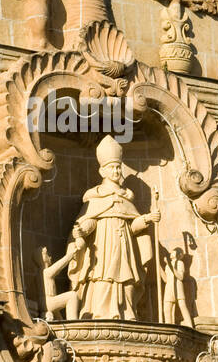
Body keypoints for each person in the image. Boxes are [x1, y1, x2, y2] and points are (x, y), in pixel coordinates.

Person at [66, 136, 160, 321]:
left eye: (118, 167)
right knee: (103, 276)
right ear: (102, 170)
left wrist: (148, 218)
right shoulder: (95, 196)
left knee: (126, 277)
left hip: (125, 245)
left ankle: (127, 312)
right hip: (103, 247)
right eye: (112, 167)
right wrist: (82, 231)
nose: (116, 171)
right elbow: (91, 220)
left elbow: (133, 226)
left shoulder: (127, 197)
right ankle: (100, 313)